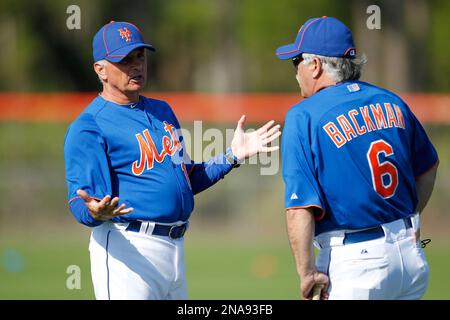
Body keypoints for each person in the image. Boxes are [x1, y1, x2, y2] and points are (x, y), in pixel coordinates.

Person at [64, 21, 281, 300]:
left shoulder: (161, 110)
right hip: (127, 250)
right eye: (125, 59)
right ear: (100, 69)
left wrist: (232, 156)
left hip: (175, 250)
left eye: (140, 56)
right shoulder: (89, 125)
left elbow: (187, 180)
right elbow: (79, 200)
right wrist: (94, 212)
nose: (136, 65)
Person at [276, 16, 438, 300]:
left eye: (296, 62)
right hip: (410, 259)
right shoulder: (391, 101)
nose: (295, 72)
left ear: (315, 66)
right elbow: (428, 167)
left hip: (356, 263)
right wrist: (409, 220)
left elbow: (299, 207)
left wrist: (307, 272)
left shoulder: (303, 115)